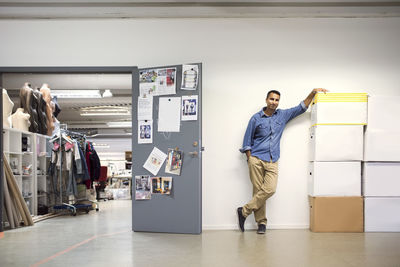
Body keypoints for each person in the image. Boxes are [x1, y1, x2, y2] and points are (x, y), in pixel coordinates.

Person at [237, 88, 328, 234]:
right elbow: (247, 140)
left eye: (277, 100)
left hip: (273, 159)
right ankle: (261, 223)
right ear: (266, 100)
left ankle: (244, 211)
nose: (274, 102)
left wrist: (312, 93)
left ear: (279, 102)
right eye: (271, 99)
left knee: (269, 189)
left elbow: (301, 108)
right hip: (256, 158)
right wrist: (250, 159)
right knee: (258, 191)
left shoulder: (283, 115)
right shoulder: (256, 118)